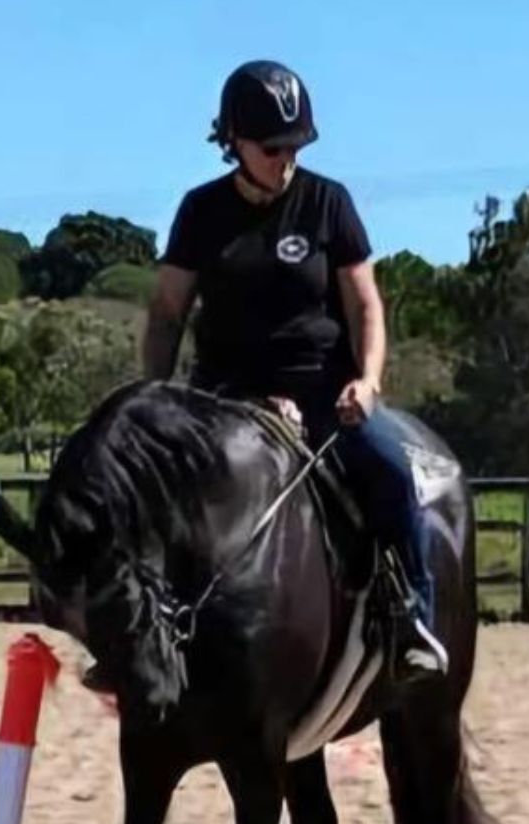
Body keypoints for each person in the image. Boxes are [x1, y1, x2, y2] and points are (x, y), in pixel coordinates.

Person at [139, 59, 448, 678]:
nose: (286, 158)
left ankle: (413, 617)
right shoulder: (200, 212)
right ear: (234, 143)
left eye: (295, 145)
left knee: (394, 474)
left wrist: (368, 379)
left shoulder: (328, 203)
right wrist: (155, 398)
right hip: (224, 400)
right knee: (144, 491)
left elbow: (365, 305)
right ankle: (137, 630)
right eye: (272, 147)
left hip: (327, 398)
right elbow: (169, 311)